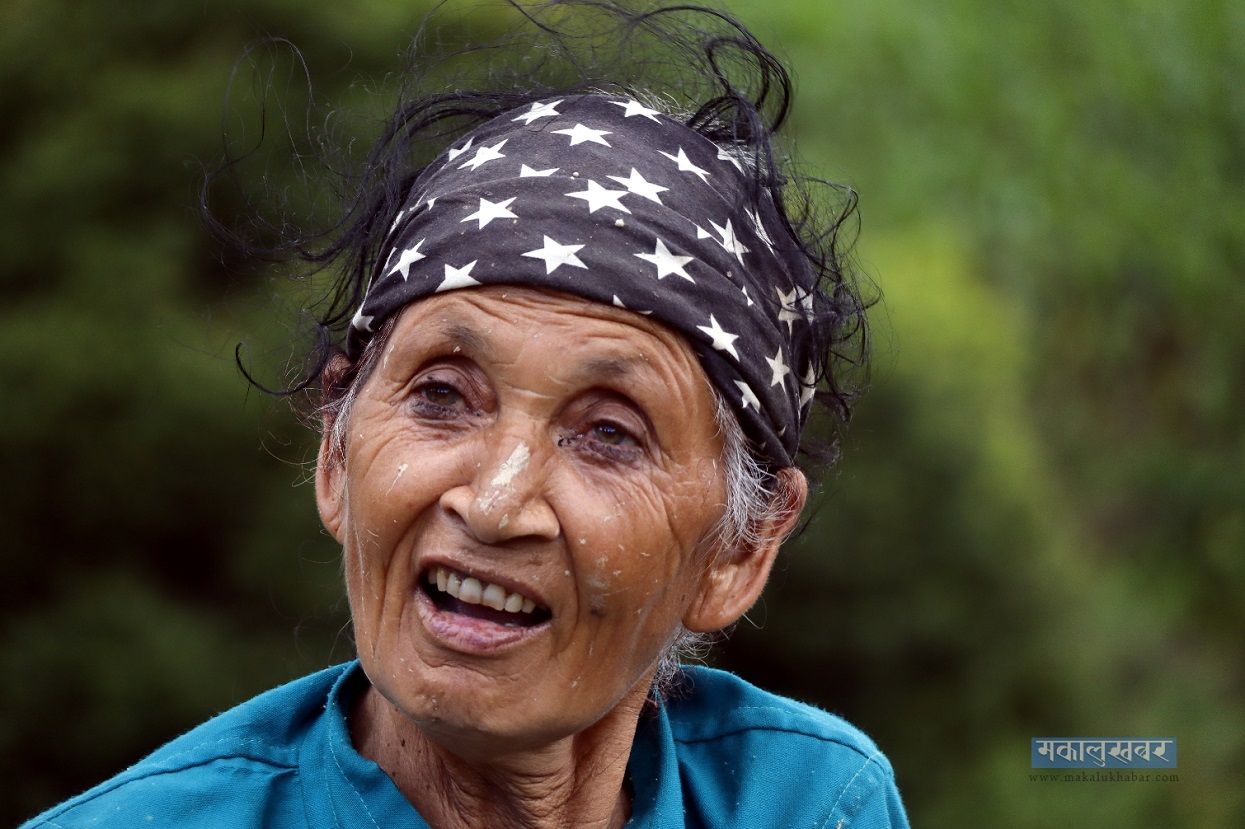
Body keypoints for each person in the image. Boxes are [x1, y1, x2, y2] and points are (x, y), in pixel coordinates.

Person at [22, 2, 908, 827]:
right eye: (441, 396)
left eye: (609, 433)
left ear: (739, 549)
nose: (493, 502)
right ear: (335, 449)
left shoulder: (810, 804)